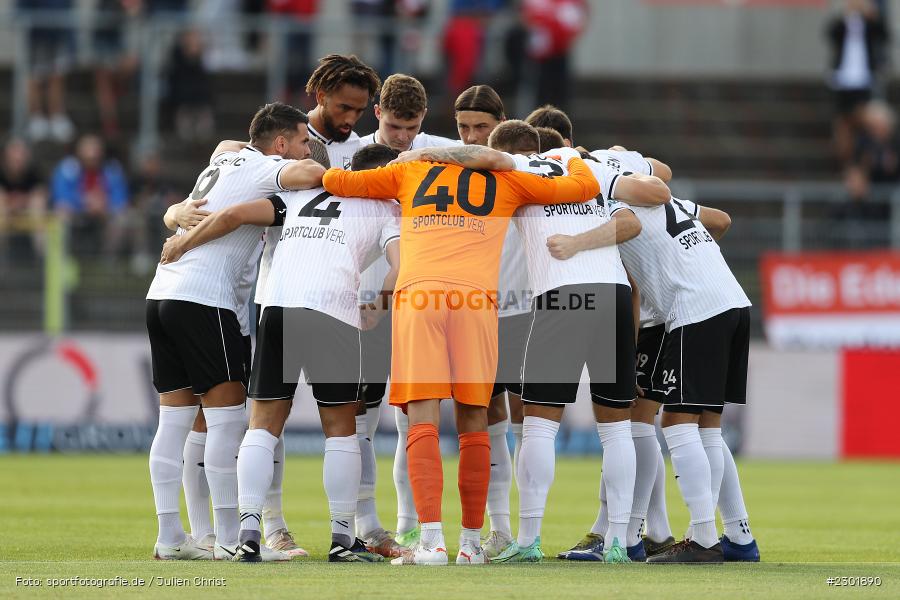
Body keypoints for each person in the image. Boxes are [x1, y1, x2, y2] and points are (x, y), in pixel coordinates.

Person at [323, 137, 600, 566]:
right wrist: (572, 157)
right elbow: (584, 188)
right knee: (476, 418)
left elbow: (337, 181)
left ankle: (431, 541)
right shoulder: (509, 178)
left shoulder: (409, 171)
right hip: (476, 304)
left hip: (419, 298)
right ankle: (471, 545)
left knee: (421, 416)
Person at [401, 121, 670, 563]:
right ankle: (620, 541)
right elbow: (651, 190)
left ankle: (527, 541)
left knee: (540, 426)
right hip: (615, 294)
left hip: (563, 297)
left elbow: (482, 162)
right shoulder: (581, 163)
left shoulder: (510, 172)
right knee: (616, 427)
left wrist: (422, 157)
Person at [159, 143, 402, 563]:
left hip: (278, 308)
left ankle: (248, 535)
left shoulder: (298, 194)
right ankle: (343, 540)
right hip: (332, 311)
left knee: (264, 423)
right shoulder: (385, 208)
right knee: (341, 425)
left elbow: (233, 215)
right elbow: (402, 265)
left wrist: (182, 242)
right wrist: (378, 308)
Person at [144, 102, 324, 561]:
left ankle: (171, 538)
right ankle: (229, 540)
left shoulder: (225, 159)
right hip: (207, 300)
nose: (308, 149)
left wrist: (172, 212)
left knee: (174, 424)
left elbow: (227, 147)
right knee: (227, 424)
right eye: (303, 140)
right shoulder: (270, 167)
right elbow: (309, 175)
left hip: (163, 293)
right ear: (281, 143)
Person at [356, 72, 458, 552]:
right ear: (378, 113)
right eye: (395, 127)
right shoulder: (353, 156)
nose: (403, 139)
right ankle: (359, 525)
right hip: (362, 302)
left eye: (411, 128)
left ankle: (405, 526)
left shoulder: (436, 153)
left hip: (416, 300)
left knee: (409, 420)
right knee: (360, 421)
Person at [826, 0, 890, 164]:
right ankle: (844, 154)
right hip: (843, 77)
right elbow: (830, 34)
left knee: (864, 115)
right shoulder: (843, 23)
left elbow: (884, 35)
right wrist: (845, 16)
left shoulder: (869, 23)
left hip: (864, 77)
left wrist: (874, 16)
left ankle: (865, 153)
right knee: (842, 117)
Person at [50, 134, 129, 258]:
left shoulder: (112, 169)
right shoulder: (67, 168)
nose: (92, 158)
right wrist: (84, 202)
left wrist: (104, 204)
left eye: (95, 155)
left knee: (123, 217)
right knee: (60, 213)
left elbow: (120, 198)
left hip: (105, 213)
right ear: (79, 153)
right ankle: (61, 260)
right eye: (88, 155)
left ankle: (108, 260)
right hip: (76, 213)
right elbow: (61, 196)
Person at [17, 0, 76, 142]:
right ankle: (36, 117)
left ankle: (56, 116)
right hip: (37, 35)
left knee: (57, 77)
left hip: (59, 34)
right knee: (35, 78)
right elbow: (21, 7)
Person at [0, 139, 47, 261]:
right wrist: (10, 202)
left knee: (38, 202)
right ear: (5, 157)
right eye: (14, 156)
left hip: (29, 212)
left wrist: (21, 201)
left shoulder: (35, 171)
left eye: (21, 155)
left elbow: (40, 193)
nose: (18, 159)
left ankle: (40, 253)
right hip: (5, 212)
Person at [165, 30, 215, 141]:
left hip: (200, 98)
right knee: (184, 117)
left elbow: (205, 85)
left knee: (204, 119)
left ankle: (202, 140)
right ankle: (186, 139)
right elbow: (175, 83)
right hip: (182, 98)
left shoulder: (203, 62)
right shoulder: (176, 60)